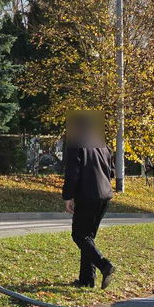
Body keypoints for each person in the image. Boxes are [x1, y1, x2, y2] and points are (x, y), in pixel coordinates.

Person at [61, 112, 117, 289]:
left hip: (87, 196)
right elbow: (112, 172)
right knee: (88, 237)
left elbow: (73, 173)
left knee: (79, 235)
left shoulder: (76, 145)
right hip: (105, 196)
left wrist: (68, 197)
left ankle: (103, 265)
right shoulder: (102, 145)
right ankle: (87, 280)